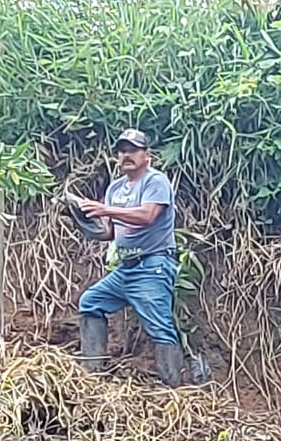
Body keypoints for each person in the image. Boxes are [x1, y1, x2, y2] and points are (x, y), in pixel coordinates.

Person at [73, 128, 200, 387]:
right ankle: (92, 375)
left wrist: (106, 209)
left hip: (153, 265)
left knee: (160, 328)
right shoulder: (115, 188)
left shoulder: (156, 181)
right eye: (122, 151)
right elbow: (109, 232)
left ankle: (174, 389)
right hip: (126, 268)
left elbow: (147, 216)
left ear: (147, 155)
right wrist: (80, 217)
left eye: (133, 150)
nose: (126, 155)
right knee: (90, 302)